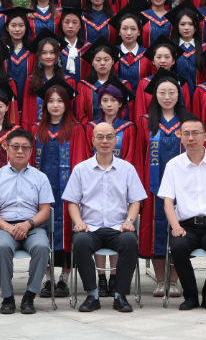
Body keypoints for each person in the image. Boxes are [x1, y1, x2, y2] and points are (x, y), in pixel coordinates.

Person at [65, 122, 146, 313]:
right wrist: (78, 222)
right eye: (100, 137)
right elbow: (72, 202)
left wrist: (130, 221)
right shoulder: (81, 169)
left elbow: (136, 200)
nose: (104, 141)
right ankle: (92, 295)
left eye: (109, 137)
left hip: (119, 228)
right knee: (80, 242)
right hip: (90, 228)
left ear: (115, 140)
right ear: (93, 140)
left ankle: (120, 296)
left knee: (130, 241)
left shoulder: (127, 168)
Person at [160, 119, 206, 311]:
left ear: (205, 136)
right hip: (185, 226)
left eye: (195, 133)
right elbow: (168, 202)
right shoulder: (173, 165)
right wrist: (176, 227)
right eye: (186, 133)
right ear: (180, 137)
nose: (191, 138)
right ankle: (191, 296)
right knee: (178, 247)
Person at [0, 130, 54, 314]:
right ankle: (7, 298)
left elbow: (45, 211)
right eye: (15, 147)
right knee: (1, 247)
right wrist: (9, 228)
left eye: (25, 147)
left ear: (31, 151)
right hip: (5, 226)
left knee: (42, 247)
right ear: (7, 148)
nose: (20, 151)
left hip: (33, 227)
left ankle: (29, 296)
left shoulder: (40, 177)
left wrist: (27, 224)